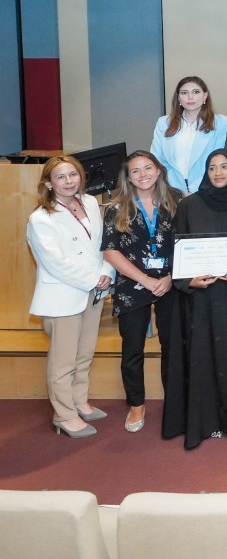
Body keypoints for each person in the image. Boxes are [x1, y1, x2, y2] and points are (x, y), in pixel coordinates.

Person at [163, 149, 227, 449]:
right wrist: (186, 280)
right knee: (206, 356)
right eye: (213, 167)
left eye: (225, 166)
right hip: (202, 299)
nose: (218, 172)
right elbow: (175, 250)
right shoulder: (190, 205)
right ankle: (209, 422)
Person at [26, 156, 114, 439]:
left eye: (73, 175)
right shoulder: (40, 218)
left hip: (93, 290)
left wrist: (107, 273)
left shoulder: (89, 202)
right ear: (48, 184)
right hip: (63, 296)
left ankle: (79, 401)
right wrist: (93, 278)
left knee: (84, 354)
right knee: (63, 362)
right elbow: (57, 263)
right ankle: (64, 415)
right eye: (61, 177)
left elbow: (103, 243)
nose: (68, 182)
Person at [102, 150, 182, 435]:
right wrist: (146, 280)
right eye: (135, 171)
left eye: (148, 168)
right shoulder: (115, 207)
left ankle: (176, 401)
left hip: (171, 284)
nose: (143, 174)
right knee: (132, 350)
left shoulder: (179, 201)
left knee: (173, 347)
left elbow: (188, 243)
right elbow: (111, 252)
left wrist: (171, 277)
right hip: (132, 285)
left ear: (159, 170)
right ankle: (136, 404)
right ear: (128, 176)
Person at [150, 76, 227, 194]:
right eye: (184, 93)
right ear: (178, 98)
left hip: (208, 188)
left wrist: (194, 190)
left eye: (196, 92)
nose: (190, 97)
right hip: (172, 189)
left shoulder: (221, 123)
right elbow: (157, 160)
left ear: (205, 96)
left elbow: (218, 161)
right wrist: (177, 190)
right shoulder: (164, 123)